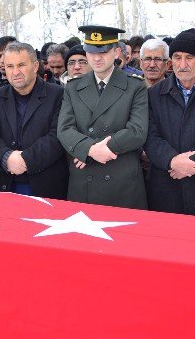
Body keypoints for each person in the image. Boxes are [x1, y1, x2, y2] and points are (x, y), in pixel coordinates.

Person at [57, 25, 148, 209]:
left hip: (121, 178)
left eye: (103, 51)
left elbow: (137, 131)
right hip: (85, 179)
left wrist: (96, 150)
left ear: (116, 52)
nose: (96, 58)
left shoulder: (135, 86)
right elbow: (64, 129)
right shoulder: (73, 87)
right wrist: (90, 149)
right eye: (91, 52)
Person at [144, 29, 195, 218]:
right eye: (177, 57)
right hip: (166, 186)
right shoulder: (154, 94)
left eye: (189, 57)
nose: (182, 64)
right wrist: (172, 161)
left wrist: (192, 163)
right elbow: (150, 136)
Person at [0, 42, 67, 199]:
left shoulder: (58, 95)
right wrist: (5, 157)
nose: (15, 72)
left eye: (21, 65)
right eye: (9, 66)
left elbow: (57, 135)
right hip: (4, 182)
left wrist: (26, 159)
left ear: (35, 66)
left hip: (45, 184)